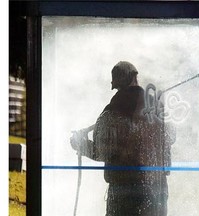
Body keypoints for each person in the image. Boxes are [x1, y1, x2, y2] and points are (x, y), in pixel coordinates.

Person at [70, 61, 176, 216]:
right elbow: (170, 138)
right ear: (135, 76)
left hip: (124, 196)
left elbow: (102, 152)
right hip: (157, 193)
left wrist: (80, 144)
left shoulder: (114, 108)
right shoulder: (155, 107)